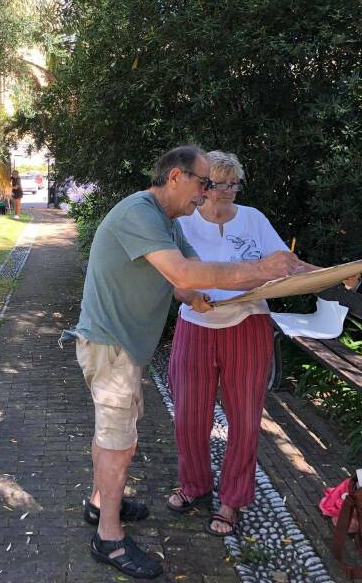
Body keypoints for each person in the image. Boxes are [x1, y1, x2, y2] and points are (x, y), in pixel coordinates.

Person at [62, 145, 303, 579]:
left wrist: (196, 294)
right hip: (110, 344)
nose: (207, 194)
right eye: (203, 183)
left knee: (120, 436)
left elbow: (186, 277)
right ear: (176, 176)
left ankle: (100, 505)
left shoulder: (165, 223)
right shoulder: (139, 212)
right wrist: (260, 267)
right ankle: (110, 539)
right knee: (117, 442)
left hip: (126, 346)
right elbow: (187, 274)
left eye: (214, 185)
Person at [167, 150, 360, 536]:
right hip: (195, 326)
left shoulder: (253, 219)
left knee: (245, 418)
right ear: (202, 186)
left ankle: (232, 500)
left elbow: (288, 265)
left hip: (248, 325)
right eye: (220, 184)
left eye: (234, 184)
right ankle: (195, 485)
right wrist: (190, 297)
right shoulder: (182, 223)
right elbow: (172, 283)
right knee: (190, 414)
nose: (229, 192)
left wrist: (337, 275)